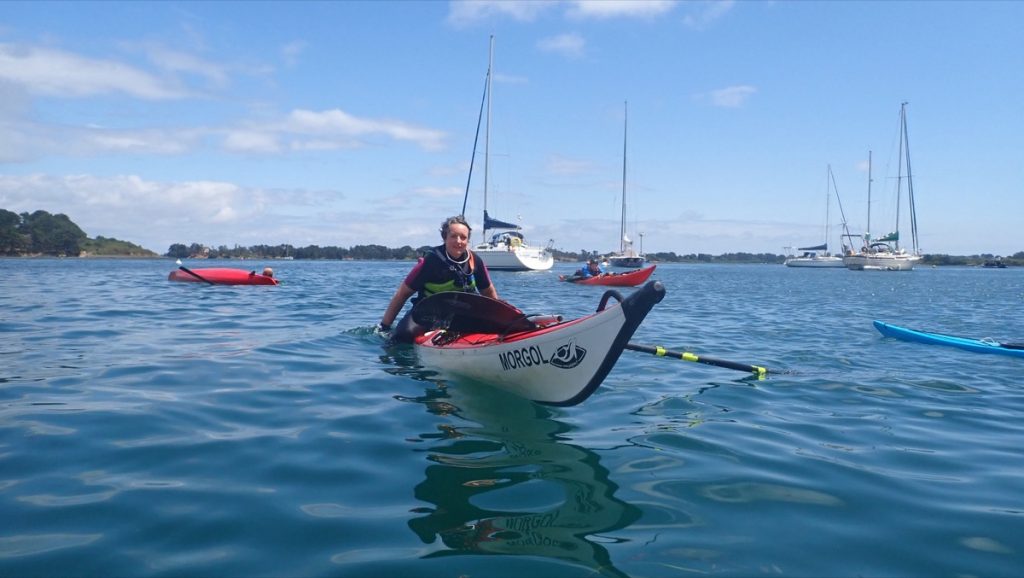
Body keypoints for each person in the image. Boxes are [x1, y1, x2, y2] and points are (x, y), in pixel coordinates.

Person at [379, 215, 498, 343]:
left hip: (462, 313)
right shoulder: (430, 262)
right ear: (444, 238)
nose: (458, 241)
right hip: (427, 314)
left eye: (463, 237)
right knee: (403, 335)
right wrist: (385, 326)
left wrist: (500, 320)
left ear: (468, 240)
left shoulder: (475, 262)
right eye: (453, 236)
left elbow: (489, 293)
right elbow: (402, 295)